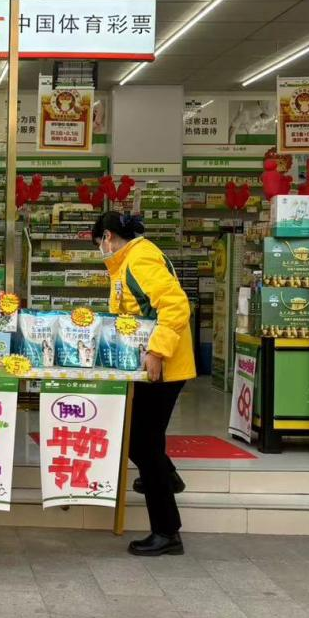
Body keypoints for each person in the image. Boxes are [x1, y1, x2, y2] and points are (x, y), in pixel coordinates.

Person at [93, 210, 197, 557]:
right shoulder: (127, 261)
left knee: (142, 443)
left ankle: (167, 532)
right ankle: (167, 477)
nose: (100, 250)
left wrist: (156, 351)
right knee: (140, 440)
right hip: (151, 368)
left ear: (108, 237)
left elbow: (176, 306)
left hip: (161, 368)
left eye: (98, 243)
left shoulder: (139, 259)